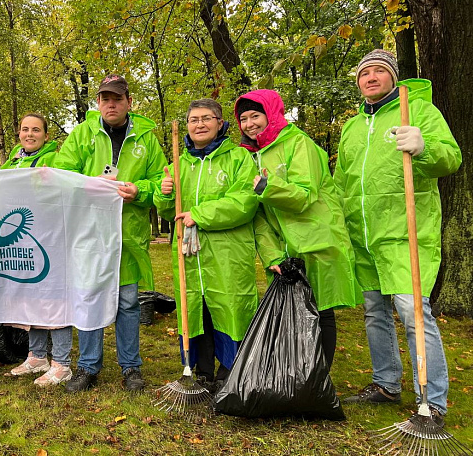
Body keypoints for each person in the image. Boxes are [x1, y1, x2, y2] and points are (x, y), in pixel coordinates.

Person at [334, 49, 461, 426]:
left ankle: (432, 400)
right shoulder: (352, 127)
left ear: (393, 77)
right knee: (375, 311)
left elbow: (450, 157)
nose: (370, 77)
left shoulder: (418, 112)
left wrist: (424, 148)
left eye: (378, 71)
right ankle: (386, 384)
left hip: (407, 231)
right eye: (364, 73)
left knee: (413, 312)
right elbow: (343, 179)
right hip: (364, 235)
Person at [54, 74, 167, 392]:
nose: (111, 103)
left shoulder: (146, 139)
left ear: (129, 102)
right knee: (90, 297)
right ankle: (88, 367)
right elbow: (64, 172)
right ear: (98, 103)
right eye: (105, 98)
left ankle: (131, 368)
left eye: (117, 98)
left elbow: (160, 183)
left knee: (128, 301)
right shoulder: (83, 133)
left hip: (128, 235)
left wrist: (139, 191)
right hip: (89, 235)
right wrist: (91, 186)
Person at [234, 89, 361, 370]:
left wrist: (267, 187)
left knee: (320, 310)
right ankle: (297, 374)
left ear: (272, 114)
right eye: (243, 119)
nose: (249, 124)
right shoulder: (250, 156)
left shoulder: (298, 143)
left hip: (317, 240)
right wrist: (271, 256)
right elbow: (259, 217)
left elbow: (305, 194)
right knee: (292, 313)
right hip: (285, 248)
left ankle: (319, 378)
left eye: (256, 115)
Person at [154, 99, 258, 391]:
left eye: (206, 118)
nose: (199, 125)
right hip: (189, 255)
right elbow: (167, 211)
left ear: (220, 123)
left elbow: (244, 202)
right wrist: (163, 195)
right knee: (196, 309)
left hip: (226, 252)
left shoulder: (238, 158)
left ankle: (231, 370)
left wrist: (199, 215)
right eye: (193, 120)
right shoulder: (178, 162)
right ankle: (201, 371)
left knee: (227, 307)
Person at [4, 114, 71, 386]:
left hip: (51, 238)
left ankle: (63, 362)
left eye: (36, 130)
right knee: (30, 294)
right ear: (19, 134)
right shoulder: (10, 163)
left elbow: (68, 189)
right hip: (22, 241)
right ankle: (37, 356)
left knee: (55, 297)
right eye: (24, 129)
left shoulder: (55, 160)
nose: (29, 134)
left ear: (45, 135)